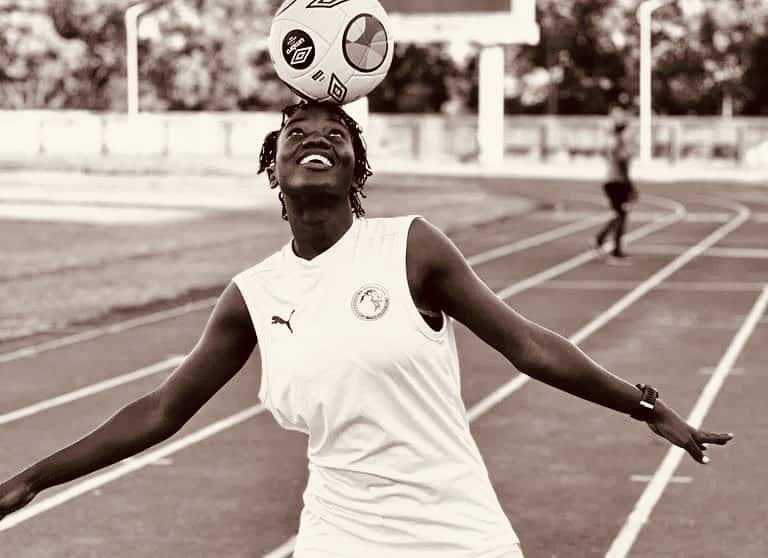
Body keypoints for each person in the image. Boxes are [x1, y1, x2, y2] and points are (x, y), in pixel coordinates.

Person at [0, 101, 733, 556]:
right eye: (296, 133)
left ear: (357, 169)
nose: (314, 139)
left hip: (457, 534)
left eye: (335, 134)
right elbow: (162, 410)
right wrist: (32, 480)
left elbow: (530, 346)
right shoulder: (253, 294)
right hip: (339, 535)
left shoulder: (410, 248)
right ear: (274, 168)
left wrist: (643, 405)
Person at [593, 117, 638, 264]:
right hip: (617, 183)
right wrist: (631, 188)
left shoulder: (615, 142)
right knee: (620, 215)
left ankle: (602, 240)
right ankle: (612, 248)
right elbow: (623, 169)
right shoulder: (619, 145)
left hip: (614, 182)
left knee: (619, 215)